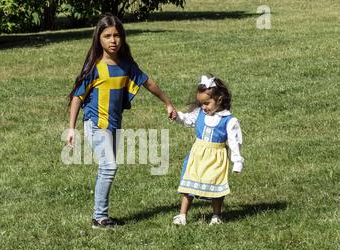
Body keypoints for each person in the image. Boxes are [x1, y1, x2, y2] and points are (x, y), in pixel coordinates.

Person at [66, 13, 177, 229]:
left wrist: (168, 103)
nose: (113, 40)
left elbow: (147, 82)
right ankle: (99, 218)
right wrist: (71, 128)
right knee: (109, 166)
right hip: (96, 123)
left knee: (106, 168)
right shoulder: (95, 67)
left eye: (117, 35)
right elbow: (77, 97)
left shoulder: (126, 65)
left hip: (114, 124)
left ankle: (102, 215)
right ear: (99, 38)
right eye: (107, 35)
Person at [172, 75, 244, 226]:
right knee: (188, 185)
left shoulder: (229, 121)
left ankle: (216, 216)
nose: (203, 107)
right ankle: (182, 215)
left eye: (206, 103)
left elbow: (234, 142)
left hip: (216, 157)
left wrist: (237, 162)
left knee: (216, 187)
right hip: (197, 156)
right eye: (201, 103)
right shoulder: (199, 114)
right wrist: (176, 116)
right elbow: (186, 119)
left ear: (219, 99)